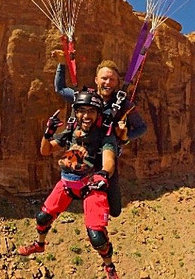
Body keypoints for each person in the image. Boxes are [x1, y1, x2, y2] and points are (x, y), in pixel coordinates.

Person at [18, 89, 123, 279]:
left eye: (91, 111)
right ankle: (39, 245)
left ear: (98, 114)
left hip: (91, 187)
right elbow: (45, 150)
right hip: (67, 185)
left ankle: (109, 266)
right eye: (82, 110)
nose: (86, 115)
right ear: (76, 112)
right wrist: (47, 133)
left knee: (97, 237)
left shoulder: (104, 137)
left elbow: (109, 162)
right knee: (42, 218)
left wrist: (102, 175)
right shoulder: (70, 133)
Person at [54, 59, 147, 217]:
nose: (107, 82)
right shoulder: (83, 97)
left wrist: (124, 137)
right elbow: (61, 89)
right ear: (96, 79)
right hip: (81, 154)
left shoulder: (123, 104)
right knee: (72, 191)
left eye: (112, 79)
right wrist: (62, 64)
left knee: (115, 210)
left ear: (117, 82)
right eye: (104, 78)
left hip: (106, 157)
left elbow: (142, 127)